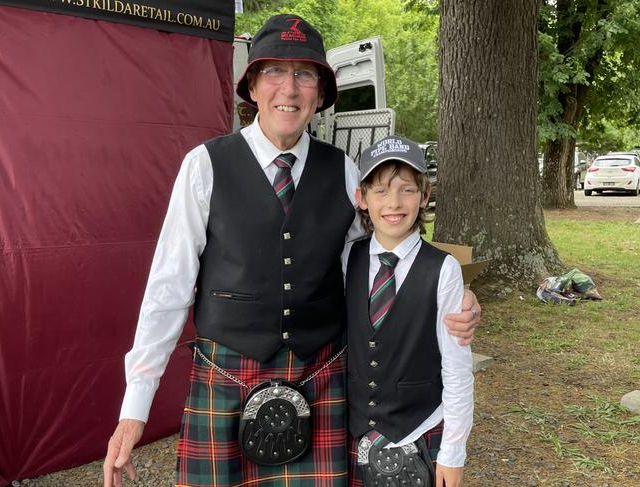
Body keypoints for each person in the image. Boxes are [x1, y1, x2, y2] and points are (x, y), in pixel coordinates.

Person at [103, 14, 481, 487]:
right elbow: (168, 288)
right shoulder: (204, 166)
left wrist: (452, 294)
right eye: (274, 73)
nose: (290, 88)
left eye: (304, 74)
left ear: (320, 95)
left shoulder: (344, 171)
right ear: (253, 88)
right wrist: (134, 409)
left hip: (319, 375)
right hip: (227, 377)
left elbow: (377, 263)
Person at [345, 137, 474, 487]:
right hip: (356, 434)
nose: (394, 203)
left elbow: (457, 368)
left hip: (419, 430)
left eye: (406, 190)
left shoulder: (443, 269)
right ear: (362, 198)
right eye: (381, 191)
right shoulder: (348, 259)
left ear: (425, 195)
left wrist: (453, 452)